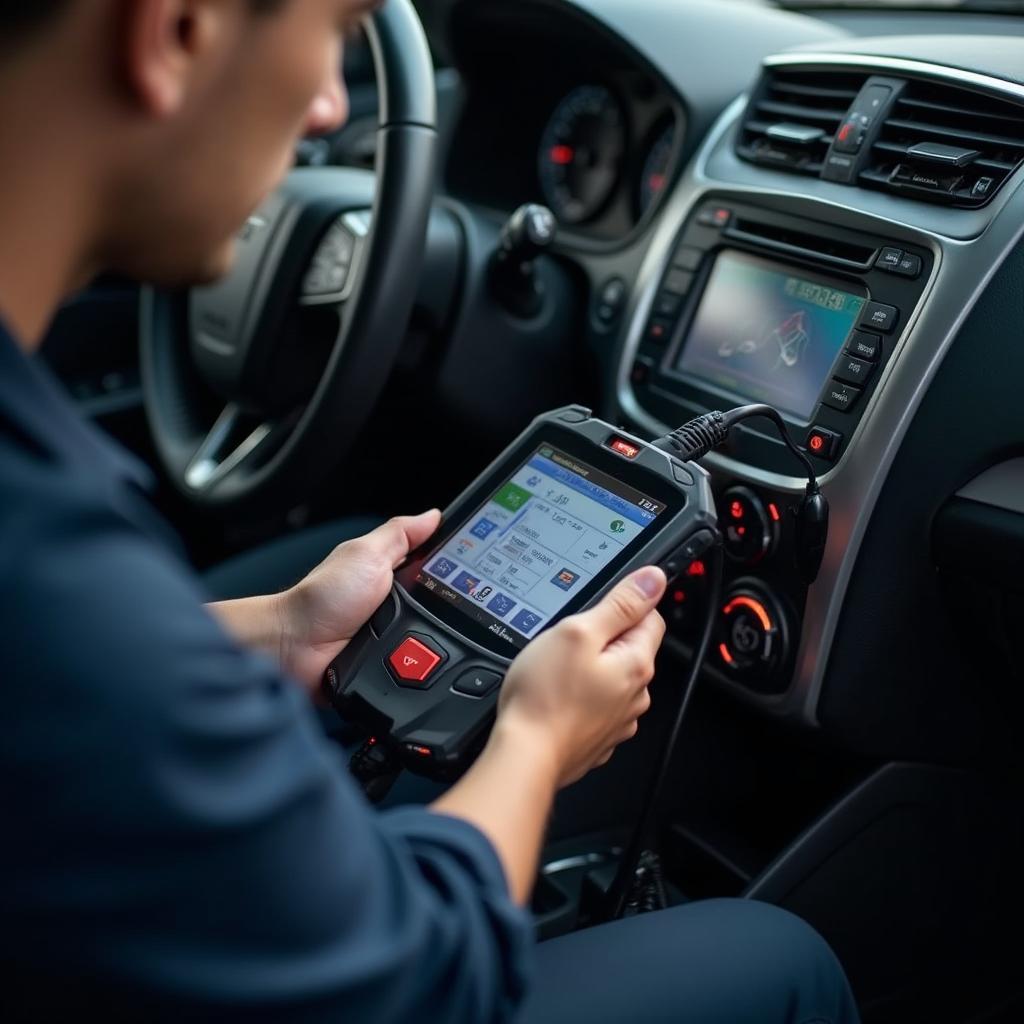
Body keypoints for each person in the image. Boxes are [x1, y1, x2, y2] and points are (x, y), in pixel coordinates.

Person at [0, 2, 860, 1021]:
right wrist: (538, 741)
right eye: (334, 32)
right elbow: (415, 972)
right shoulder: (51, 564)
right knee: (776, 954)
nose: (328, 110)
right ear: (175, 29)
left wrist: (280, 628)